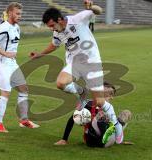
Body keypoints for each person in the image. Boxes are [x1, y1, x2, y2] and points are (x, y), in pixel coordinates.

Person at [30, 1, 123, 144]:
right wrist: (39, 55)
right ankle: (81, 91)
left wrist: (91, 7)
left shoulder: (78, 19)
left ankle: (117, 126)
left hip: (92, 62)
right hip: (74, 64)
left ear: (59, 20)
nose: (51, 29)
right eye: (49, 27)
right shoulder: (57, 32)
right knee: (60, 83)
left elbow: (98, 10)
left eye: (52, 25)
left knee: (99, 102)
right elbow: (54, 45)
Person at [0, 2, 39, 133]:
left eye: (20, 14)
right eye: (17, 13)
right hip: (1, 63)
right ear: (10, 13)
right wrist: (5, 53)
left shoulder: (16, 27)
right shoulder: (4, 27)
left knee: (23, 89)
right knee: (6, 93)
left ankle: (23, 120)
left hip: (12, 63)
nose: (19, 16)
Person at [54, 82, 132, 147]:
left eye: (111, 94)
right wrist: (64, 139)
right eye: (107, 94)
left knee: (126, 113)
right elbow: (72, 119)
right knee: (101, 118)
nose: (110, 97)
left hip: (107, 137)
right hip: (92, 138)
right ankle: (113, 138)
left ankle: (117, 138)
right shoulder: (88, 105)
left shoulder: (108, 108)